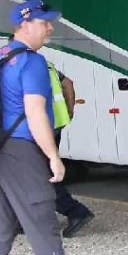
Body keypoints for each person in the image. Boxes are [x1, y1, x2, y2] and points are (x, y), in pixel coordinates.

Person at [0, 0, 106, 255]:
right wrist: (54, 157)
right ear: (23, 25)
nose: (50, 27)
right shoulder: (32, 62)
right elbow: (35, 113)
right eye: (43, 22)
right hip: (21, 150)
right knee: (43, 223)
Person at [46, 62, 95, 238]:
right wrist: (69, 110)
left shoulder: (26, 65)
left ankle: (76, 212)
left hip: (40, 130)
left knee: (43, 177)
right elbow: (69, 83)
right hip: (55, 126)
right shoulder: (46, 65)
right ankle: (26, 219)